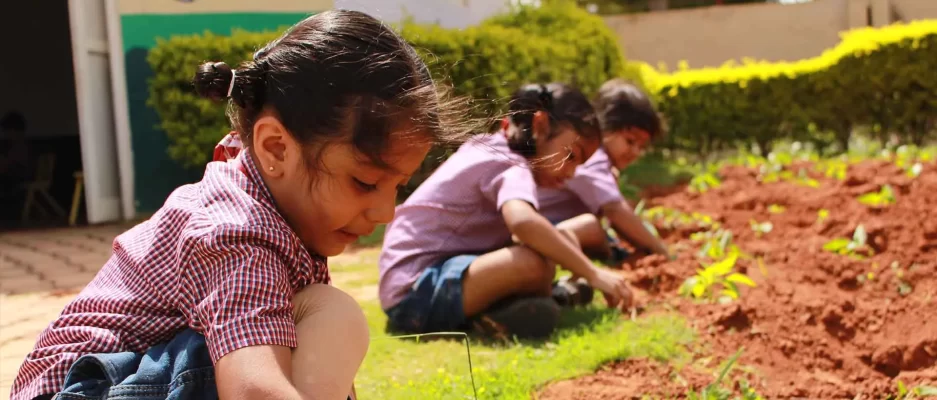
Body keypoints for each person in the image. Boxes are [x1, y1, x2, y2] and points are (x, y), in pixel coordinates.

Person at [11, 10, 470, 400]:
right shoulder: (237, 229)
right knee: (327, 312)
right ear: (275, 149)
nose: (385, 212)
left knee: (309, 321)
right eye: (366, 181)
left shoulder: (267, 194)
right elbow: (253, 389)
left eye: (398, 186)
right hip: (83, 389)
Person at [378, 82, 634, 341]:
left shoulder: (492, 147)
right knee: (535, 264)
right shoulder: (511, 165)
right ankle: (521, 308)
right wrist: (593, 272)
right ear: (541, 125)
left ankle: (511, 310)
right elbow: (522, 222)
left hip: (430, 279)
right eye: (571, 157)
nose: (571, 173)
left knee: (557, 242)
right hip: (414, 293)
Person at [538, 79, 670, 268]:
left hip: (548, 221)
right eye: (630, 141)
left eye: (641, 147)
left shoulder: (600, 161)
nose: (635, 152)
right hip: (541, 224)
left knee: (599, 233)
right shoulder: (592, 158)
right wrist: (660, 251)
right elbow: (615, 211)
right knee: (593, 229)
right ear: (604, 128)